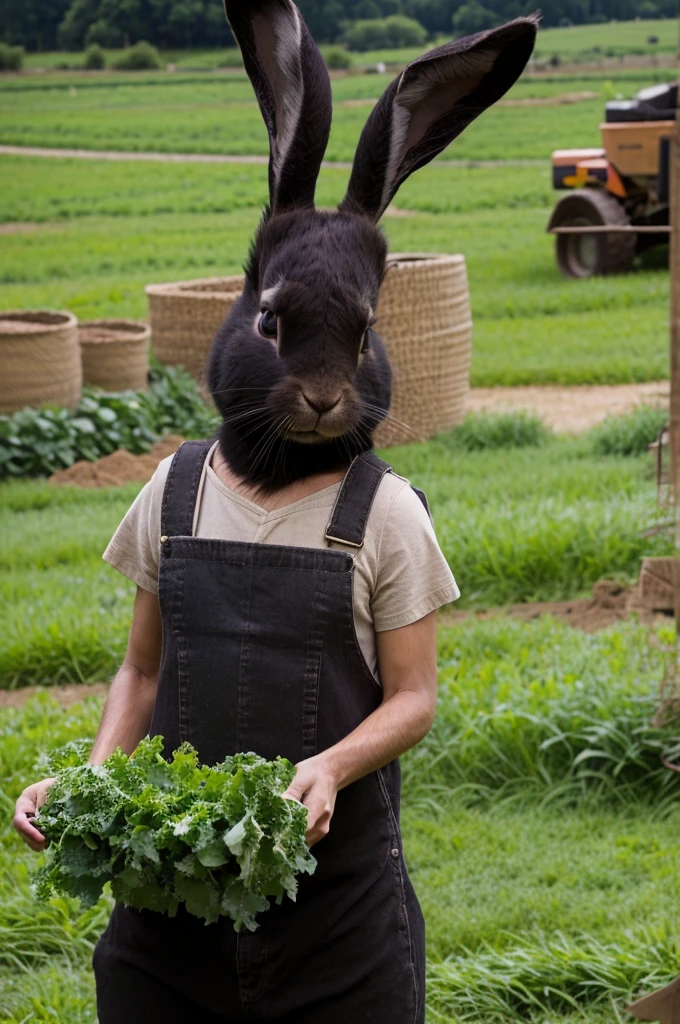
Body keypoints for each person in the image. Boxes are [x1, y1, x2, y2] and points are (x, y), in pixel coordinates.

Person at [13, 2, 537, 1020]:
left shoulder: (385, 513)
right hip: (170, 915)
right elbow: (142, 668)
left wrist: (332, 766)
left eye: (347, 344)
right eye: (287, 334)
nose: (322, 387)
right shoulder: (172, 488)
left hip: (335, 923)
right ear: (252, 315)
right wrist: (88, 783)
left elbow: (414, 695)